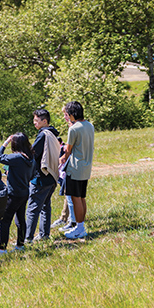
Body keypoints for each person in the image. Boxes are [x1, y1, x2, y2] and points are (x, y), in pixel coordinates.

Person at [0, 133, 33, 256]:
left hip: (14, 194)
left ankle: (2, 249)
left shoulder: (16, 157)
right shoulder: (30, 157)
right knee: (21, 219)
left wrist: (5, 143)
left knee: (5, 220)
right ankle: (20, 245)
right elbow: (31, 174)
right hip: (24, 192)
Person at [59, 101, 95, 239]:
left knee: (75, 198)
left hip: (75, 168)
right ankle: (81, 226)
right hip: (86, 166)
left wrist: (62, 158)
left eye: (68, 114)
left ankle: (79, 228)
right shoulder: (89, 125)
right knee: (82, 197)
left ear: (72, 114)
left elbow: (68, 150)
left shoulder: (73, 129)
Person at [26, 109, 62, 243]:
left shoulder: (43, 135)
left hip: (41, 177)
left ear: (44, 121)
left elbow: (33, 153)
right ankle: (44, 234)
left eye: (36, 120)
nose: (34, 123)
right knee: (45, 206)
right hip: (52, 176)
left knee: (32, 208)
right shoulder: (52, 133)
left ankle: (28, 238)